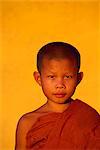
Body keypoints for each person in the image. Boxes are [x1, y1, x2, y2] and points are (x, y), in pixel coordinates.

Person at [15, 42, 100, 150]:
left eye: (68, 77)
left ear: (78, 78)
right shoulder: (27, 122)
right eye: (51, 77)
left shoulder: (88, 118)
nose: (60, 85)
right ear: (38, 78)